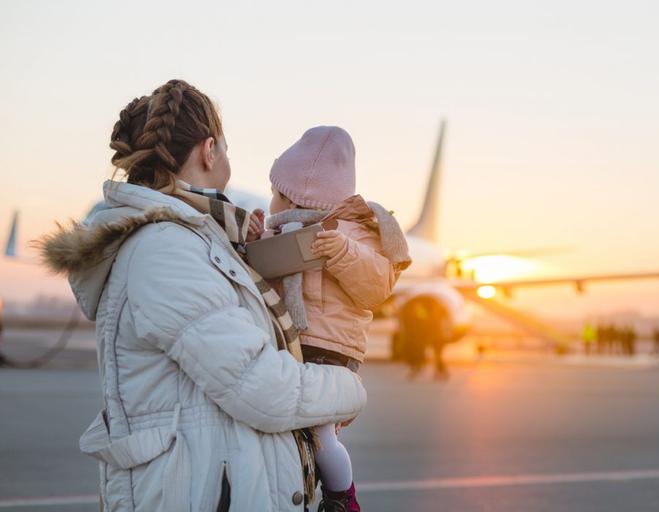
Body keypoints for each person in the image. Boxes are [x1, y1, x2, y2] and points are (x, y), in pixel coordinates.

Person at [37, 80, 367, 511]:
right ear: (209, 150)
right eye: (225, 146)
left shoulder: (194, 240)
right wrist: (350, 387)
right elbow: (261, 388)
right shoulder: (166, 250)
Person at [263, 126, 410, 511]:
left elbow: (376, 287)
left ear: (294, 196)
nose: (272, 202)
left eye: (276, 193)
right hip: (294, 345)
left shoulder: (354, 232)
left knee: (322, 433)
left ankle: (342, 497)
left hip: (331, 350)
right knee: (299, 432)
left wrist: (343, 252)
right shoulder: (281, 232)